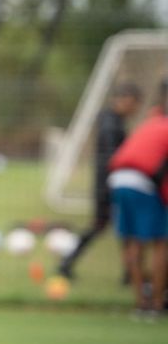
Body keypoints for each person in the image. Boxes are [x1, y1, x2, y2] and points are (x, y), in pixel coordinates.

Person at [57, 83, 142, 283]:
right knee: (109, 226)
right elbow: (112, 157)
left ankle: (128, 273)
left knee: (116, 227)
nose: (134, 109)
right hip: (108, 185)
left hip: (107, 183)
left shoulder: (112, 120)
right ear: (125, 100)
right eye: (134, 104)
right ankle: (67, 262)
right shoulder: (110, 124)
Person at [106, 110, 168, 318]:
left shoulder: (150, 123)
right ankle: (157, 304)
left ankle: (141, 304)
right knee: (161, 242)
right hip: (143, 182)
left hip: (117, 179)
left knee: (133, 241)